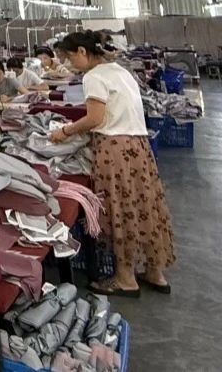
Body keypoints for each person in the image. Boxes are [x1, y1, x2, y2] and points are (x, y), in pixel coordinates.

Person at [48, 30, 173, 296]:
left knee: (121, 209)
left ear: (83, 52)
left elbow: (95, 119)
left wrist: (65, 131)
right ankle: (155, 272)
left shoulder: (94, 77)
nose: (70, 64)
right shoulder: (121, 71)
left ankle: (126, 278)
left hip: (115, 150)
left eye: (70, 57)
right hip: (138, 147)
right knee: (144, 205)